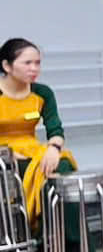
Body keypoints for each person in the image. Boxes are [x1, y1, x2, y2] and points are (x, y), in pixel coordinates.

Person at [0, 37, 73, 228]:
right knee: (41, 175)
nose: (34, 68)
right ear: (7, 66)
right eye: (27, 63)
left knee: (62, 167)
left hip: (32, 149)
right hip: (4, 153)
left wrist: (54, 149)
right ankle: (48, 238)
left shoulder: (43, 93)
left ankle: (63, 243)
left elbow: (55, 129)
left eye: (37, 63)